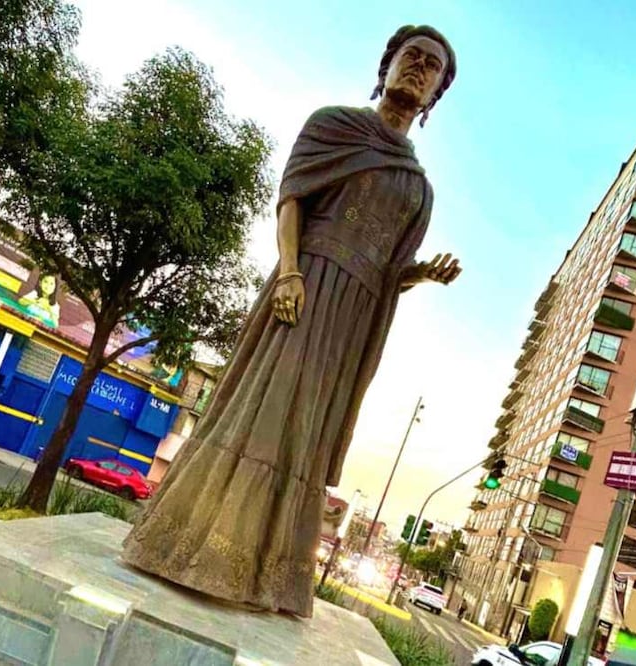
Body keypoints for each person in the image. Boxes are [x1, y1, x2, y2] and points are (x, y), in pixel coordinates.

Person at [121, 25, 463, 618]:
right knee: (264, 406)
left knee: (307, 428)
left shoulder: (420, 187)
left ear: (437, 95)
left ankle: (264, 576)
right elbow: (292, 199)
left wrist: (419, 274)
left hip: (353, 320)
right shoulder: (333, 124)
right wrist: (288, 272)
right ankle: (186, 548)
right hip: (304, 285)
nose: (419, 68)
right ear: (385, 65)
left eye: (432, 67)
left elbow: (389, 273)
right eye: (412, 56)